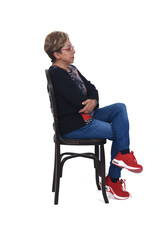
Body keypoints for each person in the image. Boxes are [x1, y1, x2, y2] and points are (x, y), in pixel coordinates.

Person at [44, 31, 143, 200]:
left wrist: (94, 101)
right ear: (57, 54)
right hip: (75, 126)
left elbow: (91, 87)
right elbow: (78, 100)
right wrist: (88, 101)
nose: (73, 50)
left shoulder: (71, 69)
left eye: (71, 46)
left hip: (88, 116)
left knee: (120, 108)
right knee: (120, 132)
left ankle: (123, 155)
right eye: (68, 48)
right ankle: (113, 179)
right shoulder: (56, 74)